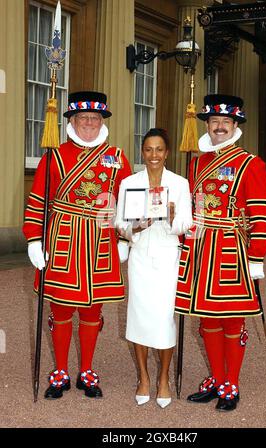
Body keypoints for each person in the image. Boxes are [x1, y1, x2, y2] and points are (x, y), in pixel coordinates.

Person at [23, 91, 131, 399]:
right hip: (63, 242)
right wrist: (34, 238)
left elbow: (127, 203)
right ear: (71, 120)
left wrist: (125, 236)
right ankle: (60, 370)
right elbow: (38, 201)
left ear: (102, 122)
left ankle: (86, 369)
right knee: (61, 308)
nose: (89, 123)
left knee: (92, 311)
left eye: (95, 119)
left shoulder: (118, 157)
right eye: (83, 118)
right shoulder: (54, 156)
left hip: (100, 241)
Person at [175, 94, 266, 412]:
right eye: (214, 121)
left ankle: (232, 382)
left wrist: (257, 255)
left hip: (232, 248)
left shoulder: (251, 164)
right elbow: (190, 207)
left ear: (235, 126)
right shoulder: (195, 163)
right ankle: (216, 378)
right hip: (200, 247)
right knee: (206, 319)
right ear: (207, 124)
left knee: (232, 319)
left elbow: (260, 214)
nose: (219, 127)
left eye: (225, 122)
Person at [115, 128, 192, 408]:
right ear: (142, 152)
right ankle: (143, 377)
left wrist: (173, 219)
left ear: (167, 152)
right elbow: (119, 223)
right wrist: (135, 225)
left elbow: (187, 223)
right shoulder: (128, 182)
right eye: (148, 149)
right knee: (139, 318)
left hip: (168, 255)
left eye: (159, 149)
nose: (154, 155)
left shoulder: (180, 183)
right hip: (140, 256)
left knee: (163, 319)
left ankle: (163, 378)